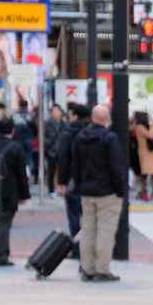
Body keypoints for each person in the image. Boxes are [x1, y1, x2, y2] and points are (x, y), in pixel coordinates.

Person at [71, 104, 127, 282]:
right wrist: (121, 190)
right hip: (107, 192)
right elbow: (117, 167)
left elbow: (76, 165)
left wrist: (79, 185)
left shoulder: (80, 138)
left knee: (87, 230)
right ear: (106, 119)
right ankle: (102, 269)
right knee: (105, 231)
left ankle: (87, 268)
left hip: (87, 191)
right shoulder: (110, 139)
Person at [0, 118, 30, 267]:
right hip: (8, 192)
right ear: (12, 131)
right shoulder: (15, 148)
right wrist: (24, 195)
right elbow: (21, 175)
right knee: (4, 224)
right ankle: (1, 256)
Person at [56, 103, 90, 259]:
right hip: (92, 180)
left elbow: (63, 158)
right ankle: (90, 248)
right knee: (90, 216)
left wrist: (61, 181)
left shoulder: (68, 132)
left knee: (75, 215)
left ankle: (77, 249)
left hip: (72, 179)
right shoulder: (92, 131)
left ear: (75, 116)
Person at [133, 111, 153, 202]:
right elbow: (150, 135)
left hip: (152, 153)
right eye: (147, 117)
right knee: (144, 174)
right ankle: (144, 193)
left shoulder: (146, 127)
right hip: (145, 153)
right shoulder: (139, 127)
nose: (149, 119)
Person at [44, 104, 66, 196]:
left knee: (62, 171)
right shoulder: (47, 123)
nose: (56, 113)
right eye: (54, 111)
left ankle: (61, 189)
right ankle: (51, 190)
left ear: (61, 112)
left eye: (57, 111)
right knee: (51, 171)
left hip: (62, 150)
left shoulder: (64, 123)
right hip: (51, 151)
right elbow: (43, 136)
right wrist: (48, 144)